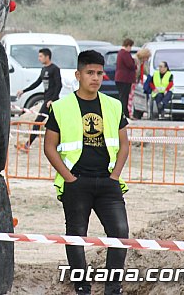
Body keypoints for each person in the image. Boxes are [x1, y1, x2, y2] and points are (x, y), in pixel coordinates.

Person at [44, 50, 129, 295]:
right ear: (78, 75)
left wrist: (115, 175)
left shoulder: (113, 105)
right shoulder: (61, 107)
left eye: (99, 73)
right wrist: (69, 178)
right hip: (77, 181)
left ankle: (113, 289)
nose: (95, 78)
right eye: (90, 73)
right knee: (76, 236)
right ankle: (82, 287)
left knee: (120, 233)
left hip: (108, 182)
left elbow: (124, 144)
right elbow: (49, 146)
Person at [16, 48, 62, 152]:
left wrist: (52, 100)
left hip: (51, 102)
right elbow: (37, 83)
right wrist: (24, 90)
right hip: (46, 100)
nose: (39, 58)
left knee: (38, 122)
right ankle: (28, 145)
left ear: (47, 57)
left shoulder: (54, 69)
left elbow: (59, 85)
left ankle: (28, 145)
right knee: (54, 124)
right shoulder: (43, 69)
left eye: (41, 56)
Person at [114, 38, 136, 119]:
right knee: (124, 97)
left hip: (119, 78)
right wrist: (135, 63)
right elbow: (130, 65)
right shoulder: (125, 54)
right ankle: (124, 113)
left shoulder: (120, 53)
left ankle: (124, 113)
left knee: (122, 96)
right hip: (125, 79)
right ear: (128, 45)